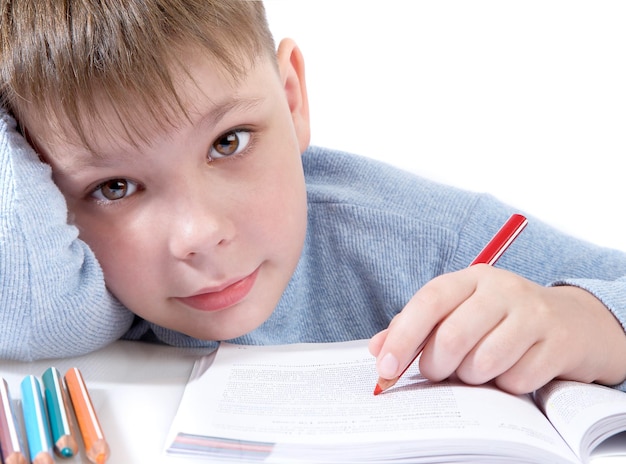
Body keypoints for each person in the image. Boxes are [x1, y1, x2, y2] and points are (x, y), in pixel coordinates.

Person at [1, 0, 626, 395]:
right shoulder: (66, 273)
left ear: (292, 98)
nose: (198, 233)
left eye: (229, 141)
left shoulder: (435, 240)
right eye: (115, 187)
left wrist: (587, 324)